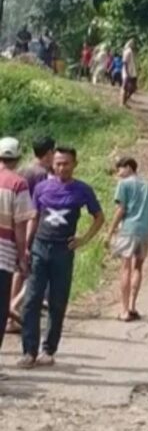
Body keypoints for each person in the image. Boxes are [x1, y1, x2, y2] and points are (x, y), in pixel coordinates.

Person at [18, 147, 105, 369]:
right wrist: (26, 246)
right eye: (57, 163)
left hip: (63, 251)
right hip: (40, 247)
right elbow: (34, 217)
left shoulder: (82, 190)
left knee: (57, 301)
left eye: (66, 163)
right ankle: (29, 351)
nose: (61, 167)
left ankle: (48, 350)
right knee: (31, 300)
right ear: (52, 165)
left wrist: (84, 239)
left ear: (74, 164)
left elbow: (99, 216)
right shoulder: (41, 188)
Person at [7, 136, 56, 334]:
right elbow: (40, 207)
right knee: (31, 271)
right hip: (32, 228)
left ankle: (11, 310)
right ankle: (12, 310)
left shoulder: (23, 170)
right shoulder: (42, 174)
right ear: (48, 153)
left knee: (20, 270)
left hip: (15, 224)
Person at [0, 138, 36, 378]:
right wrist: (23, 255)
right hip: (3, 255)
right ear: (18, 158)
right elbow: (21, 225)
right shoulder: (18, 184)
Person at [105, 157, 148, 322]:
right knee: (138, 267)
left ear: (128, 167)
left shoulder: (124, 184)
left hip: (129, 229)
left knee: (125, 267)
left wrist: (110, 231)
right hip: (145, 230)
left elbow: (121, 209)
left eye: (120, 168)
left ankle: (124, 310)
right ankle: (133, 306)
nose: (119, 173)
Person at [121, 40, 138, 107]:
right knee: (125, 87)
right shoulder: (128, 51)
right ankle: (123, 103)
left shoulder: (132, 52)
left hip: (133, 72)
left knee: (133, 88)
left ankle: (125, 101)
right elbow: (125, 62)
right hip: (128, 72)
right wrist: (127, 72)